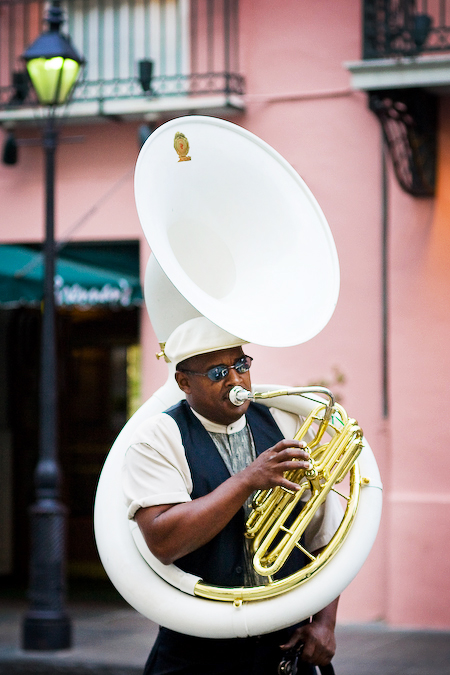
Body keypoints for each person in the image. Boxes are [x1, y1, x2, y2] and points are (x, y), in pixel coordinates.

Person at [123, 317, 342, 675]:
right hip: (196, 648)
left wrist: (325, 622)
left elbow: (326, 534)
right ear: (184, 382)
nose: (236, 379)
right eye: (217, 372)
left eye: (241, 364)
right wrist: (247, 481)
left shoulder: (284, 422)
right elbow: (164, 541)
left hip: (285, 644)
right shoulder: (157, 437)